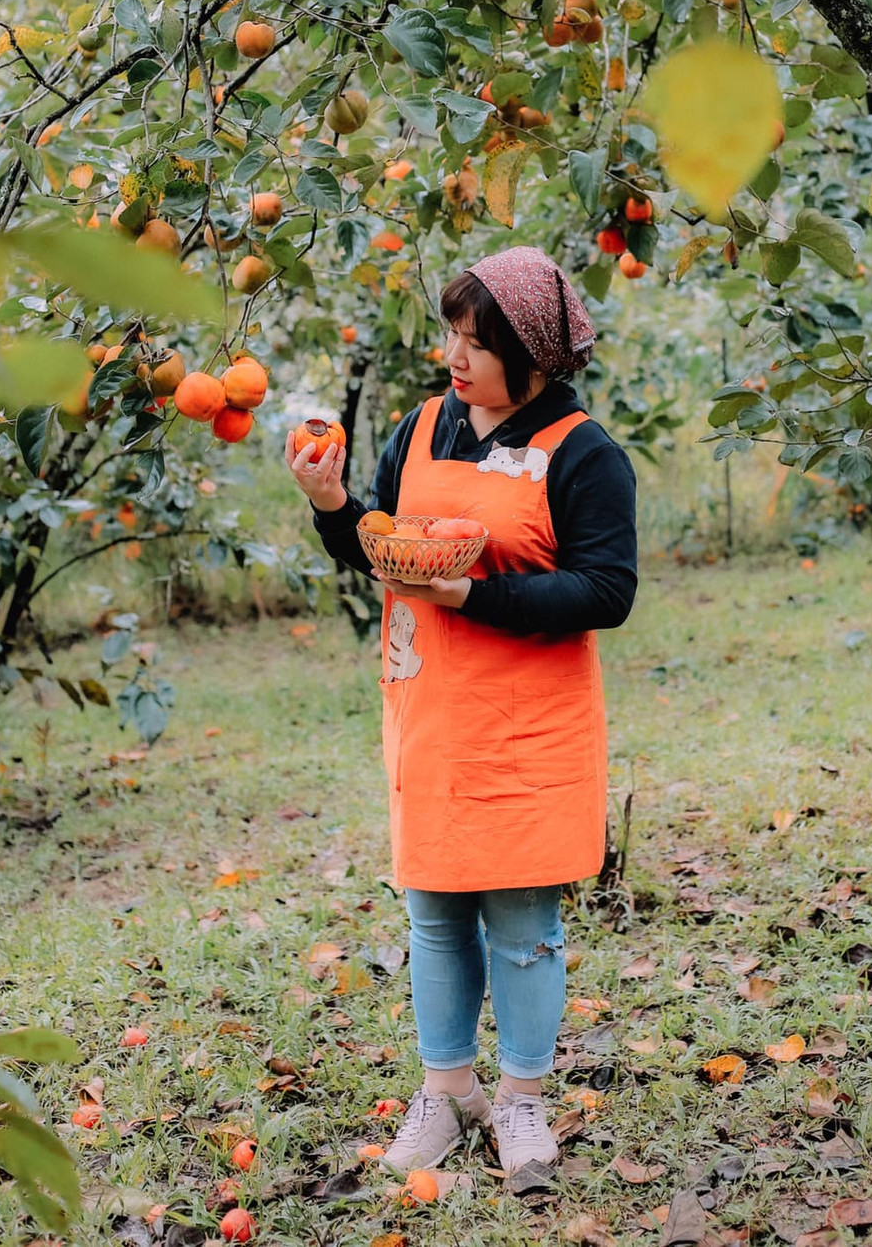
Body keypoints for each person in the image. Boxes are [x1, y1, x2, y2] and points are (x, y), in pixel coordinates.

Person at [285, 245, 637, 1175]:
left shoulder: (583, 452)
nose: (456, 356)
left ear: (532, 353)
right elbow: (387, 549)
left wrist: (477, 597)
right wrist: (333, 507)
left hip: (528, 727)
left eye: (478, 343)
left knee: (523, 923)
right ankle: (446, 1095)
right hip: (432, 711)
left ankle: (522, 1102)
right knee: (434, 914)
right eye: (452, 334)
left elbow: (607, 591)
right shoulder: (426, 425)